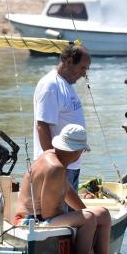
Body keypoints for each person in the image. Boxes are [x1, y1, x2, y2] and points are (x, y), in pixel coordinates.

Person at [14, 124, 110, 254]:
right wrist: (82, 219)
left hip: (36, 219)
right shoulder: (56, 168)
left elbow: (68, 191)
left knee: (103, 214)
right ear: (76, 151)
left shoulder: (51, 155)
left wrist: (82, 211)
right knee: (89, 218)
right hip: (29, 221)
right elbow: (48, 213)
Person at [33, 44, 90, 191]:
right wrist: (54, 166)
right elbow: (42, 126)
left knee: (70, 211)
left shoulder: (66, 84)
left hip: (71, 165)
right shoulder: (51, 86)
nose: (84, 74)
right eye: (83, 68)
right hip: (58, 168)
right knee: (59, 213)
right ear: (69, 62)